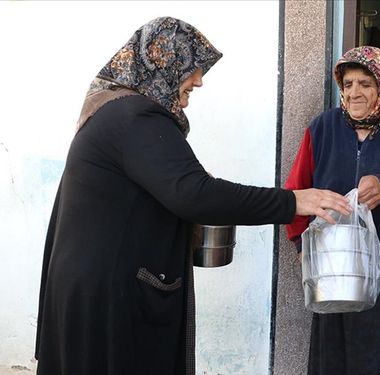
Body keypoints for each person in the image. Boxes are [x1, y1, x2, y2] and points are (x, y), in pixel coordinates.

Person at [34, 16, 349, 375]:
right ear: (163, 60)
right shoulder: (137, 118)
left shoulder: (116, 110)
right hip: (108, 296)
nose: (199, 80)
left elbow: (172, 189)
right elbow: (195, 195)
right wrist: (295, 202)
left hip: (90, 285)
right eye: (193, 67)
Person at [285, 46, 380, 374]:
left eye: (366, 84)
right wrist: (301, 242)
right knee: (334, 360)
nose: (354, 93)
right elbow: (296, 191)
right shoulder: (322, 128)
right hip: (333, 270)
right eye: (348, 84)